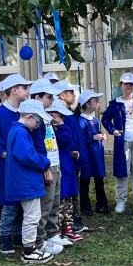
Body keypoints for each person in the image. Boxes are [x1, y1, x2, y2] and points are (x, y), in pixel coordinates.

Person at [0, 73, 33, 255]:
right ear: (14, 90)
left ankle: (19, 234)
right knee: (9, 203)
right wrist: (3, 152)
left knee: (22, 200)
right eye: (24, 88)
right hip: (4, 167)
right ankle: (4, 238)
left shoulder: (23, 112)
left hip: (21, 166)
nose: (28, 91)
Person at [3, 100, 55, 264]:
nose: (38, 126)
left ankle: (30, 248)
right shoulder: (20, 133)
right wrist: (44, 162)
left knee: (32, 215)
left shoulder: (17, 131)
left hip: (25, 182)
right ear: (30, 117)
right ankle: (29, 251)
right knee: (32, 216)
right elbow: (26, 155)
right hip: (26, 182)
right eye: (38, 122)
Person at [102, 72, 133, 213]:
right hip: (122, 142)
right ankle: (121, 201)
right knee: (123, 171)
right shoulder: (115, 104)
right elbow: (105, 119)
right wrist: (113, 131)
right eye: (126, 84)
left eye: (131, 84)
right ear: (121, 85)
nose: (128, 86)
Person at [29, 79, 70, 253]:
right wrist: (45, 168)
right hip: (46, 166)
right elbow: (36, 146)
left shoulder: (46, 115)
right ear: (37, 97)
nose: (52, 100)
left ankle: (52, 233)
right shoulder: (33, 116)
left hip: (55, 162)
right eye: (48, 97)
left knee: (55, 201)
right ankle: (40, 239)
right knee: (45, 205)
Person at [55, 81, 88, 233]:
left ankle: (74, 219)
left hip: (73, 157)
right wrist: (72, 150)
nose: (75, 95)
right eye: (71, 92)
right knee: (66, 192)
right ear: (62, 95)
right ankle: (69, 222)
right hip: (67, 158)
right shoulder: (59, 115)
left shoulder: (69, 112)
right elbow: (67, 137)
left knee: (72, 191)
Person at [49, 99, 84, 243]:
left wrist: (72, 151)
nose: (62, 119)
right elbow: (65, 138)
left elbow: (67, 142)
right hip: (59, 167)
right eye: (59, 116)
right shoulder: (53, 129)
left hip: (67, 166)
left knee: (68, 199)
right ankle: (58, 229)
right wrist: (61, 125)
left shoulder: (59, 128)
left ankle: (68, 228)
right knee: (60, 201)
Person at [77, 90, 109, 215]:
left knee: (99, 178)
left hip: (97, 154)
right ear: (88, 104)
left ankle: (102, 204)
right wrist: (93, 138)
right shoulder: (81, 121)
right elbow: (80, 139)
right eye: (96, 101)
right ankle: (85, 206)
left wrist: (101, 136)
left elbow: (97, 134)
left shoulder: (95, 120)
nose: (98, 103)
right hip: (87, 155)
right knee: (85, 180)